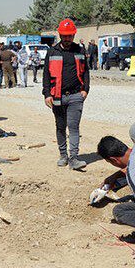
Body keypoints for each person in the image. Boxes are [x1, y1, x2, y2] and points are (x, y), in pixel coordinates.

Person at [43, 19, 89, 171]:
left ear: (74, 35)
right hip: (57, 96)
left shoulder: (80, 50)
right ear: (60, 35)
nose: (68, 39)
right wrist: (47, 94)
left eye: (70, 36)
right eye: (65, 36)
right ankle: (63, 155)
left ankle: (74, 158)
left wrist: (85, 90)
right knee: (60, 127)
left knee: (74, 127)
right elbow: (46, 76)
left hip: (76, 95)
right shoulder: (52, 51)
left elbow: (86, 71)